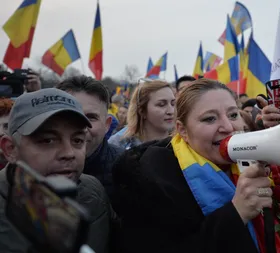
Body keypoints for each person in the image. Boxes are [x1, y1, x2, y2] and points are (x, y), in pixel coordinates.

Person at [112, 79, 280, 253]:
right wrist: (236, 214)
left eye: (233, 114)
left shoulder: (264, 164)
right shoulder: (148, 180)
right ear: (182, 130)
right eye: (209, 119)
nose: (228, 127)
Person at [0, 88, 112, 253]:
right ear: (10, 149)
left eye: (77, 140)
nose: (68, 153)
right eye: (47, 140)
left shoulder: (93, 191)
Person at [56, 76, 124, 199]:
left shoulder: (127, 170)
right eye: (71, 115)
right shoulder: (33, 164)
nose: (82, 127)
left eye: (91, 117)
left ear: (107, 125)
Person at [108, 79, 175, 149]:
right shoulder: (118, 144)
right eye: (161, 104)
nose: (171, 111)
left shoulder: (183, 142)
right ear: (142, 111)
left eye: (173, 104)